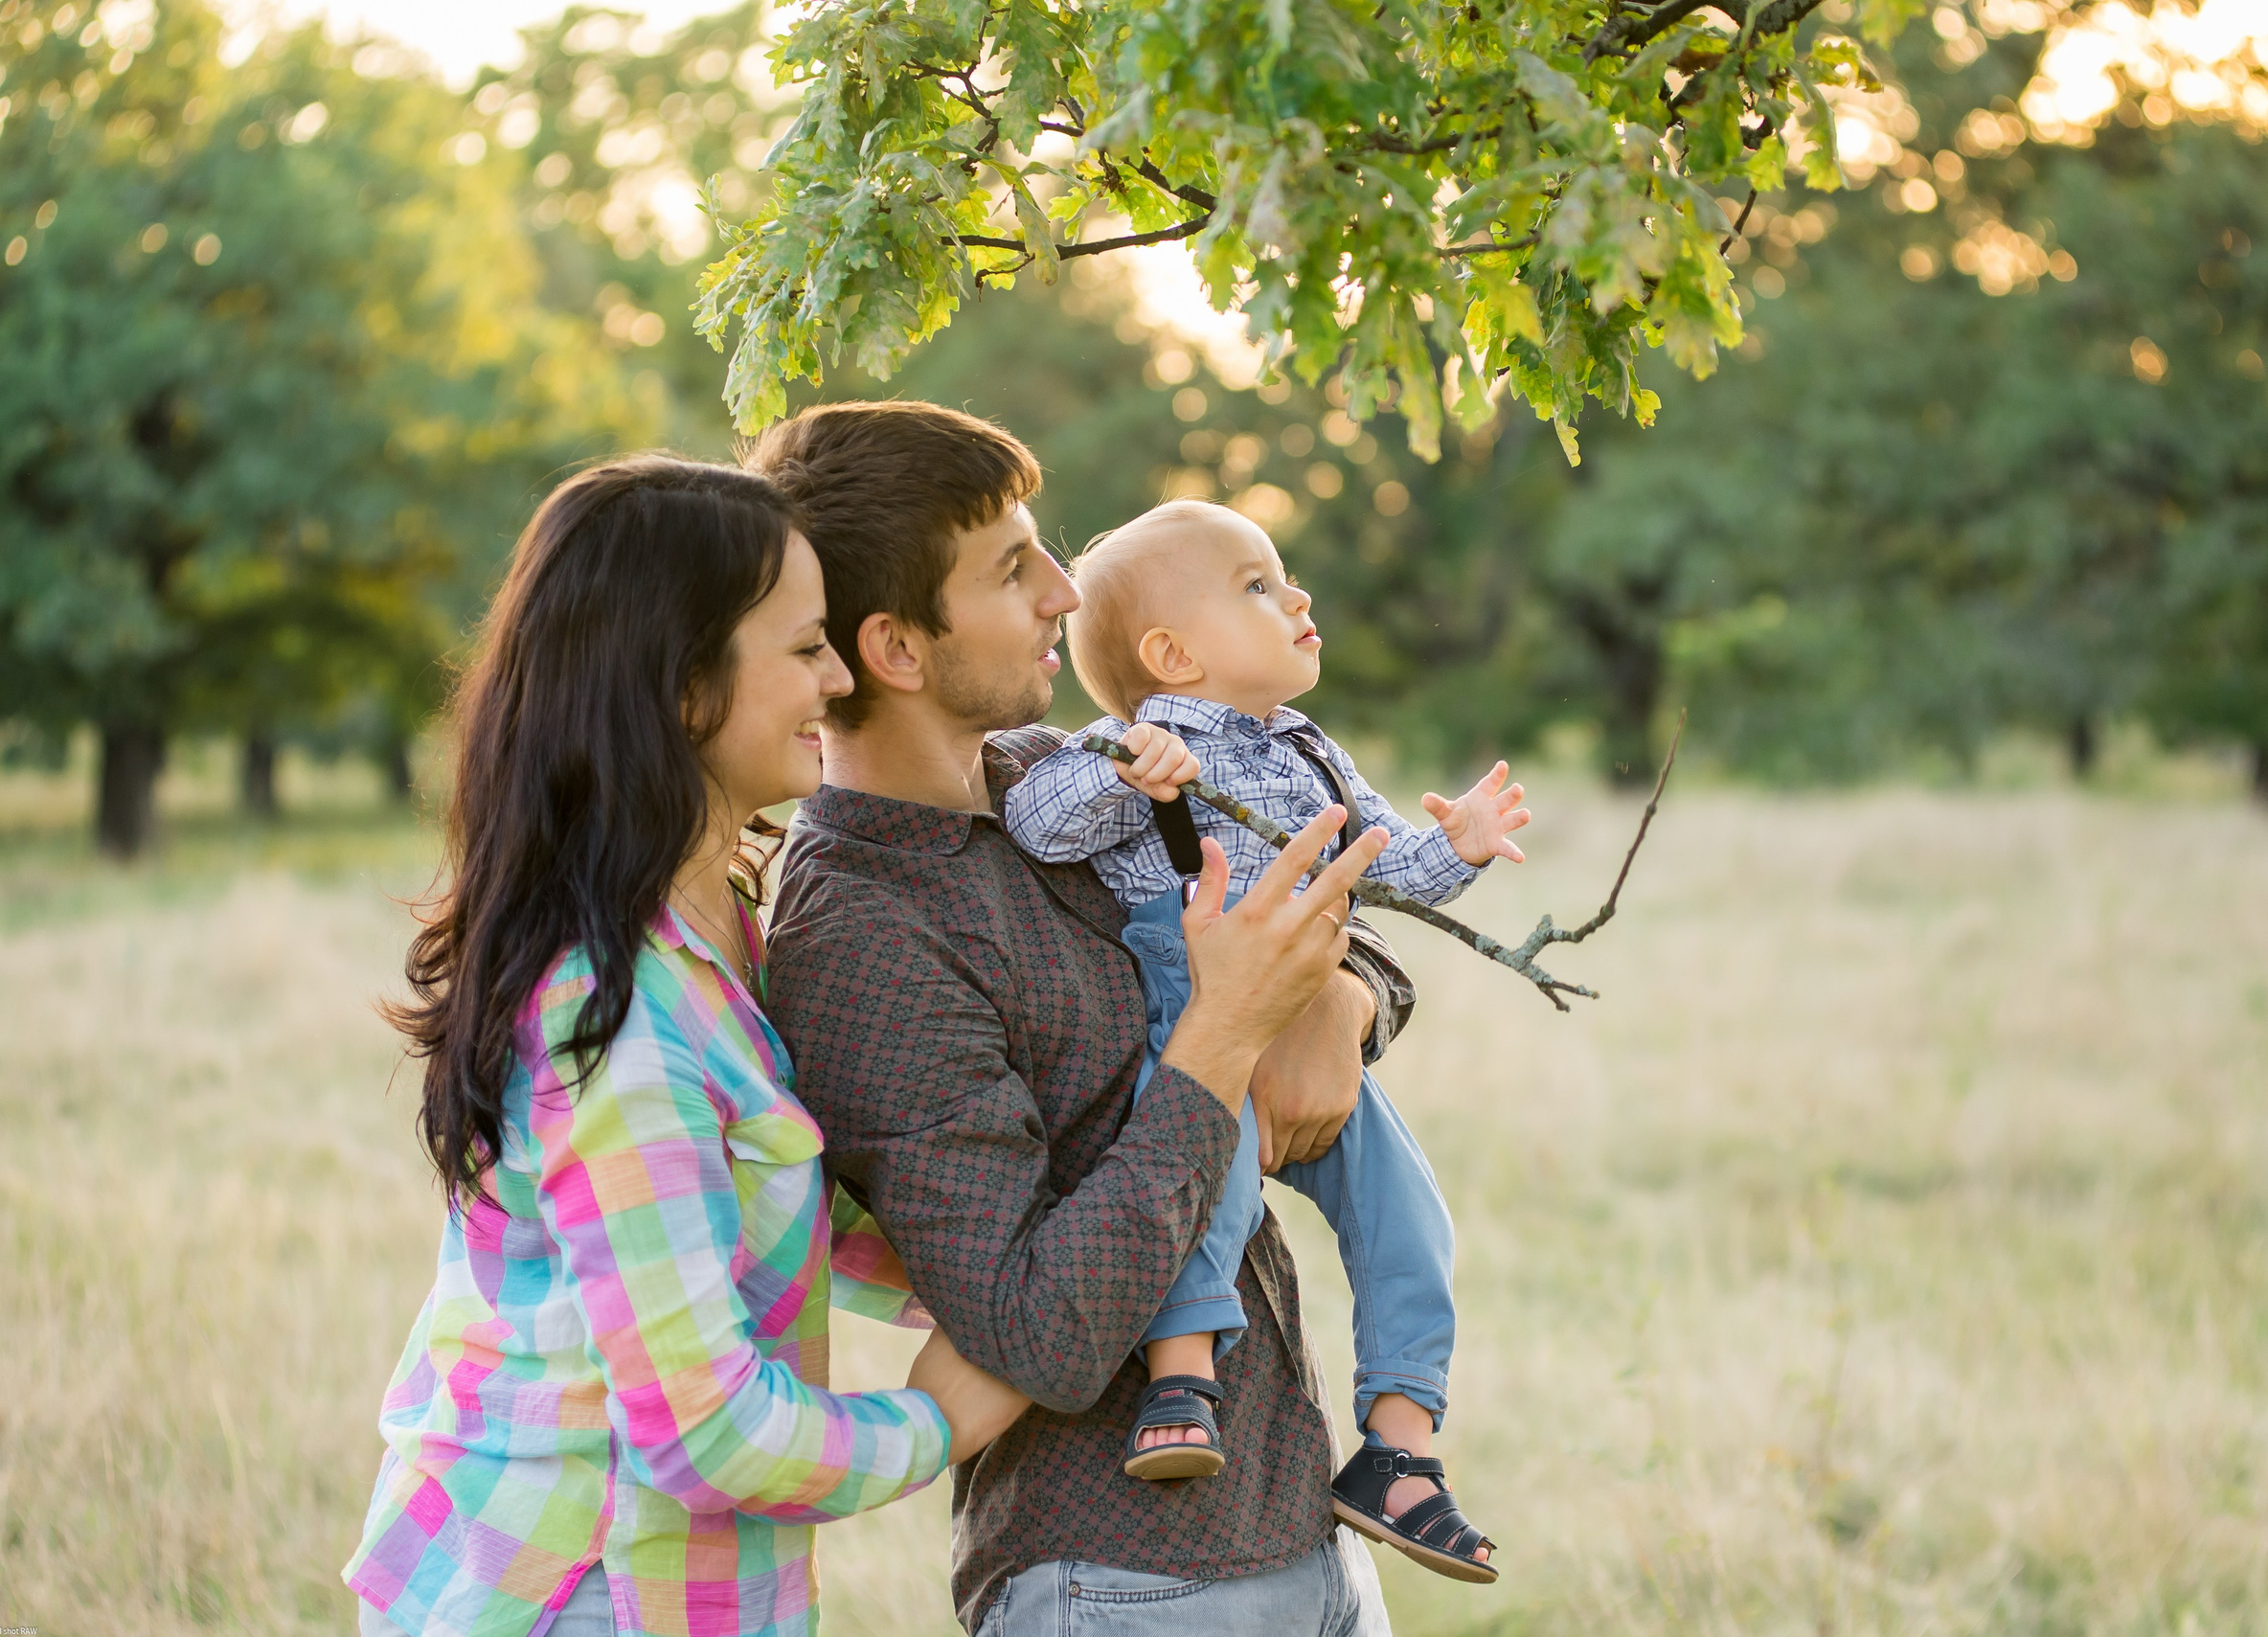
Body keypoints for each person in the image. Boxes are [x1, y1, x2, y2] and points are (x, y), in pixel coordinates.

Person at [743, 402, 1418, 1635]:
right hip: (1119, 1583)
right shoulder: (858, 933)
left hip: (1305, 1530)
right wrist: (1226, 1035)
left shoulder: (1061, 774)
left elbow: (1315, 903)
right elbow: (1035, 1328)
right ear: (894, 645)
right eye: (1012, 568)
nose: (1065, 591)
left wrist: (1342, 997)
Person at [344, 456, 1028, 1637]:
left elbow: (779, 1198)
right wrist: (937, 1421)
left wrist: (1022, 1276)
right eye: (805, 645)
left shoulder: (716, 928)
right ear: (682, 688)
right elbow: (704, 1426)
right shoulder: (612, 1018)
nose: (838, 673)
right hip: (582, 1591)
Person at [1002, 497, 1519, 1581]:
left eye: (1285, 577)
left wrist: (1456, 846)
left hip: (1306, 1004)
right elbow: (1039, 819)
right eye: (1257, 585)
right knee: (1212, 1179)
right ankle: (1180, 1377)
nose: (1298, 597)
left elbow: (1381, 870)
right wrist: (1122, 775)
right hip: (1204, 1016)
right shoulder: (1138, 740)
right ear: (1171, 654)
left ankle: (1400, 1446)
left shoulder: (1308, 751)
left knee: (1408, 1211)